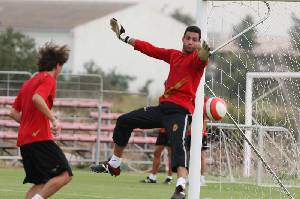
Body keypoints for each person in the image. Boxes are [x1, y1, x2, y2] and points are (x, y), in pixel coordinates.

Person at [91, 18, 210, 199]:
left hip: (180, 113)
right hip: (162, 110)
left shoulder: (197, 60)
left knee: (178, 147)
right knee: (124, 121)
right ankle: (114, 164)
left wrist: (203, 54)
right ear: (183, 39)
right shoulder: (173, 55)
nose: (191, 42)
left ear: (198, 42)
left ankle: (180, 188)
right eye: (188, 38)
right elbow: (151, 49)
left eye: (195, 39)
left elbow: (202, 60)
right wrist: (124, 37)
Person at [9, 42, 73, 199]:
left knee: (40, 183)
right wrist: (54, 120)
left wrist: (31, 123)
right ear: (57, 65)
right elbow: (37, 98)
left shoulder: (29, 82)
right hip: (39, 138)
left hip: (25, 140)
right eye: (62, 66)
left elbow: (13, 112)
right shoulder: (49, 79)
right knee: (65, 174)